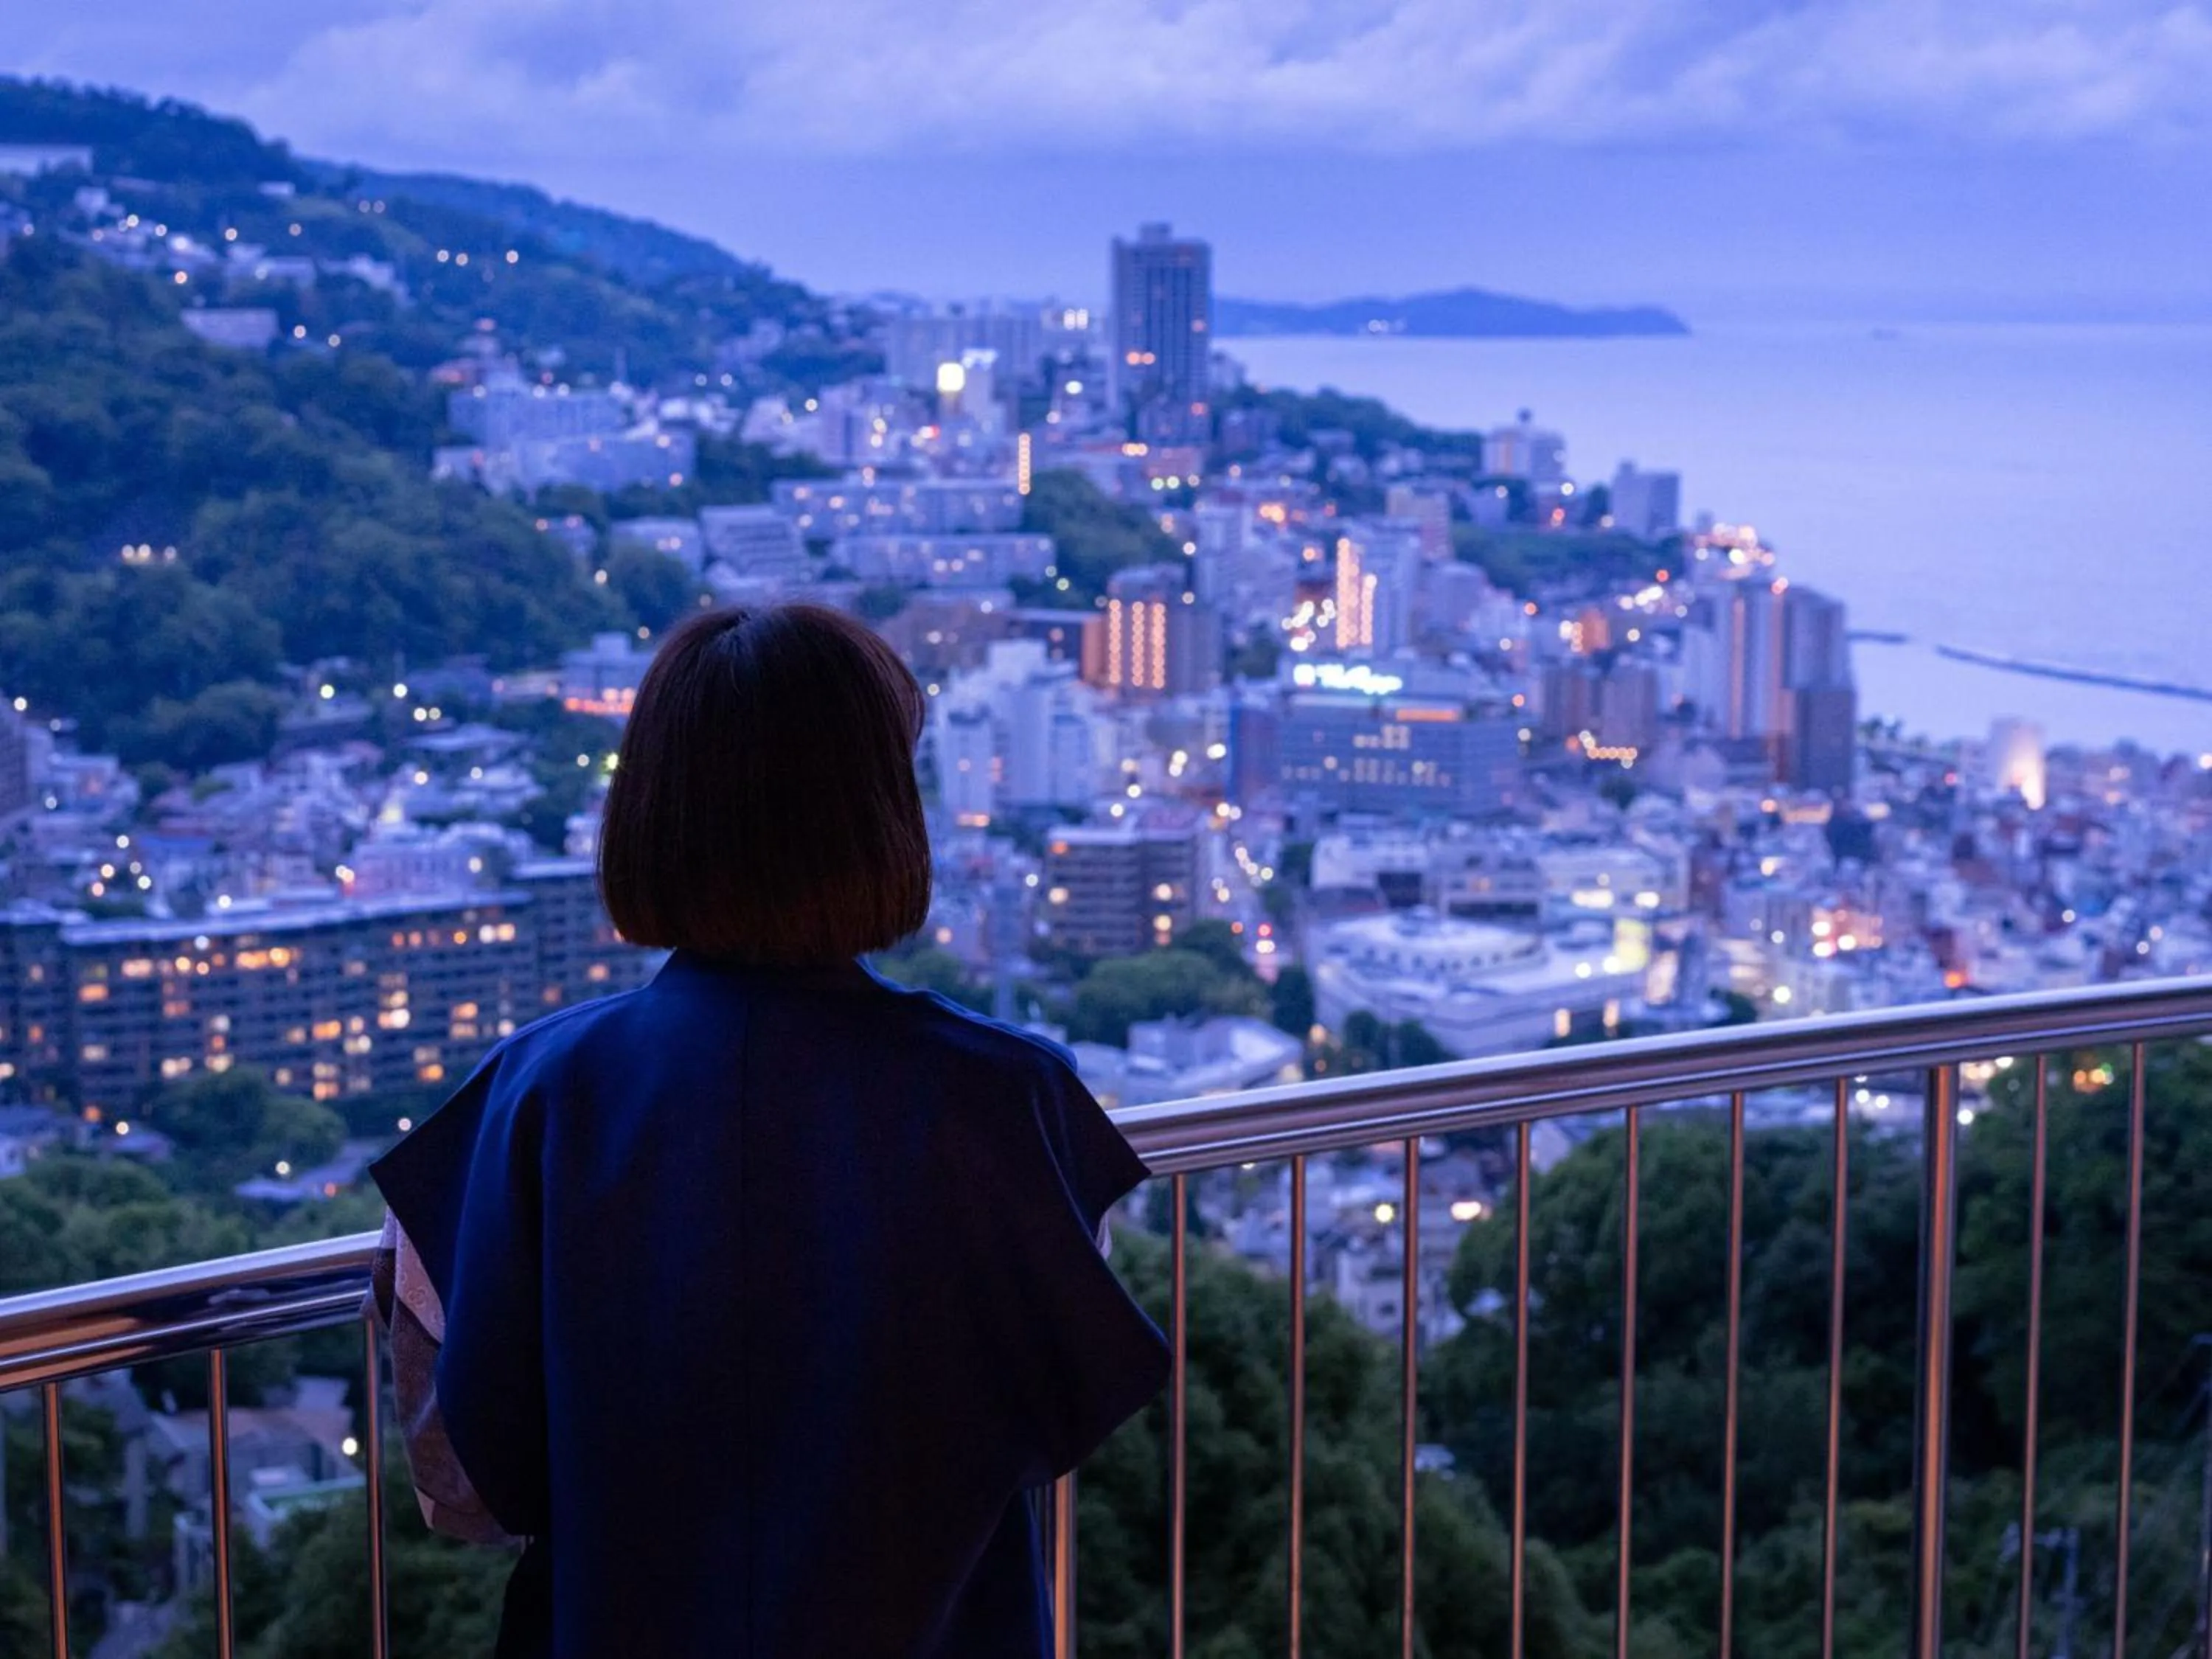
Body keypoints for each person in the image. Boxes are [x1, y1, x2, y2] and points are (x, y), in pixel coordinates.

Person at [369, 604, 1169, 1658]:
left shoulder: (523, 1103)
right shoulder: (1012, 1103)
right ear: (882, 812)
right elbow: (1047, 1415)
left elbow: (462, 1482)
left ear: (650, 806)